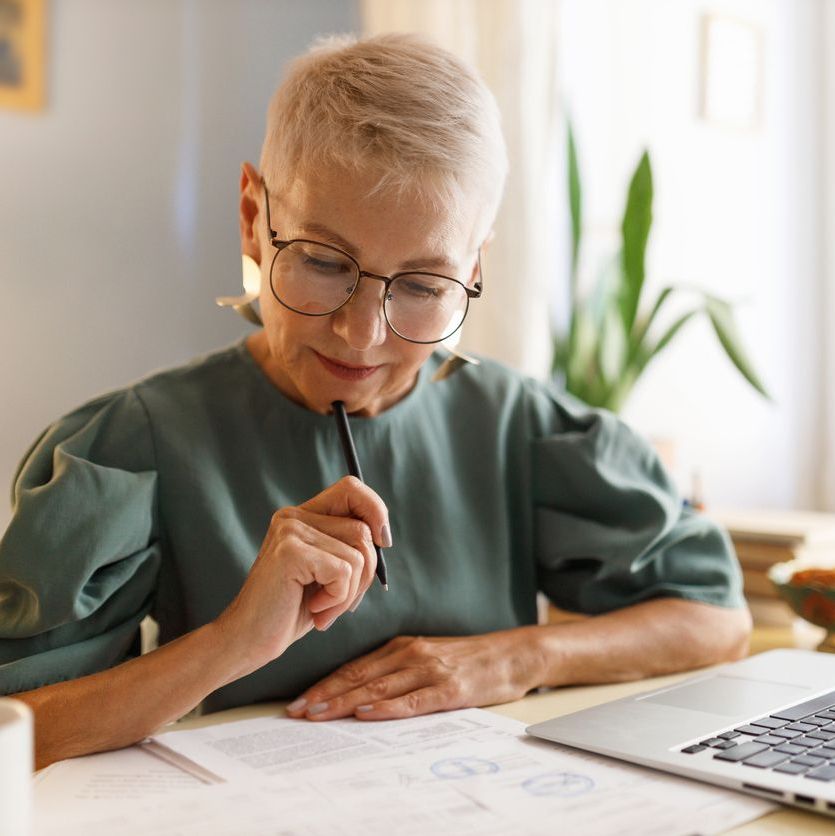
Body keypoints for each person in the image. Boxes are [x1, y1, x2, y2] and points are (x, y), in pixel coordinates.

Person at [0, 33, 750, 770]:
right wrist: (233, 642)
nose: (361, 336)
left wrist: (513, 657)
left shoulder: (520, 427)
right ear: (252, 218)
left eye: (424, 286)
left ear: (474, 265)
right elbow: (17, 726)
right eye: (324, 263)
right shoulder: (133, 445)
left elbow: (715, 619)